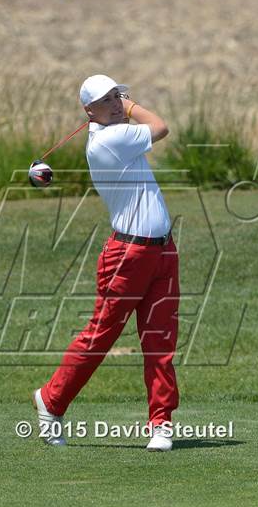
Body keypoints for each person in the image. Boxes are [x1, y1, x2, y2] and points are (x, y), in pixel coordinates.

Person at [33, 74, 180, 451]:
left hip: (162, 250)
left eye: (118, 96)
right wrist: (131, 106)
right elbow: (160, 127)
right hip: (128, 256)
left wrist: (120, 106)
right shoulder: (110, 140)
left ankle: (161, 423)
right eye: (107, 101)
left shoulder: (117, 135)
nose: (116, 104)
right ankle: (50, 402)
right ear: (89, 111)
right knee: (101, 337)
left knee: (160, 339)